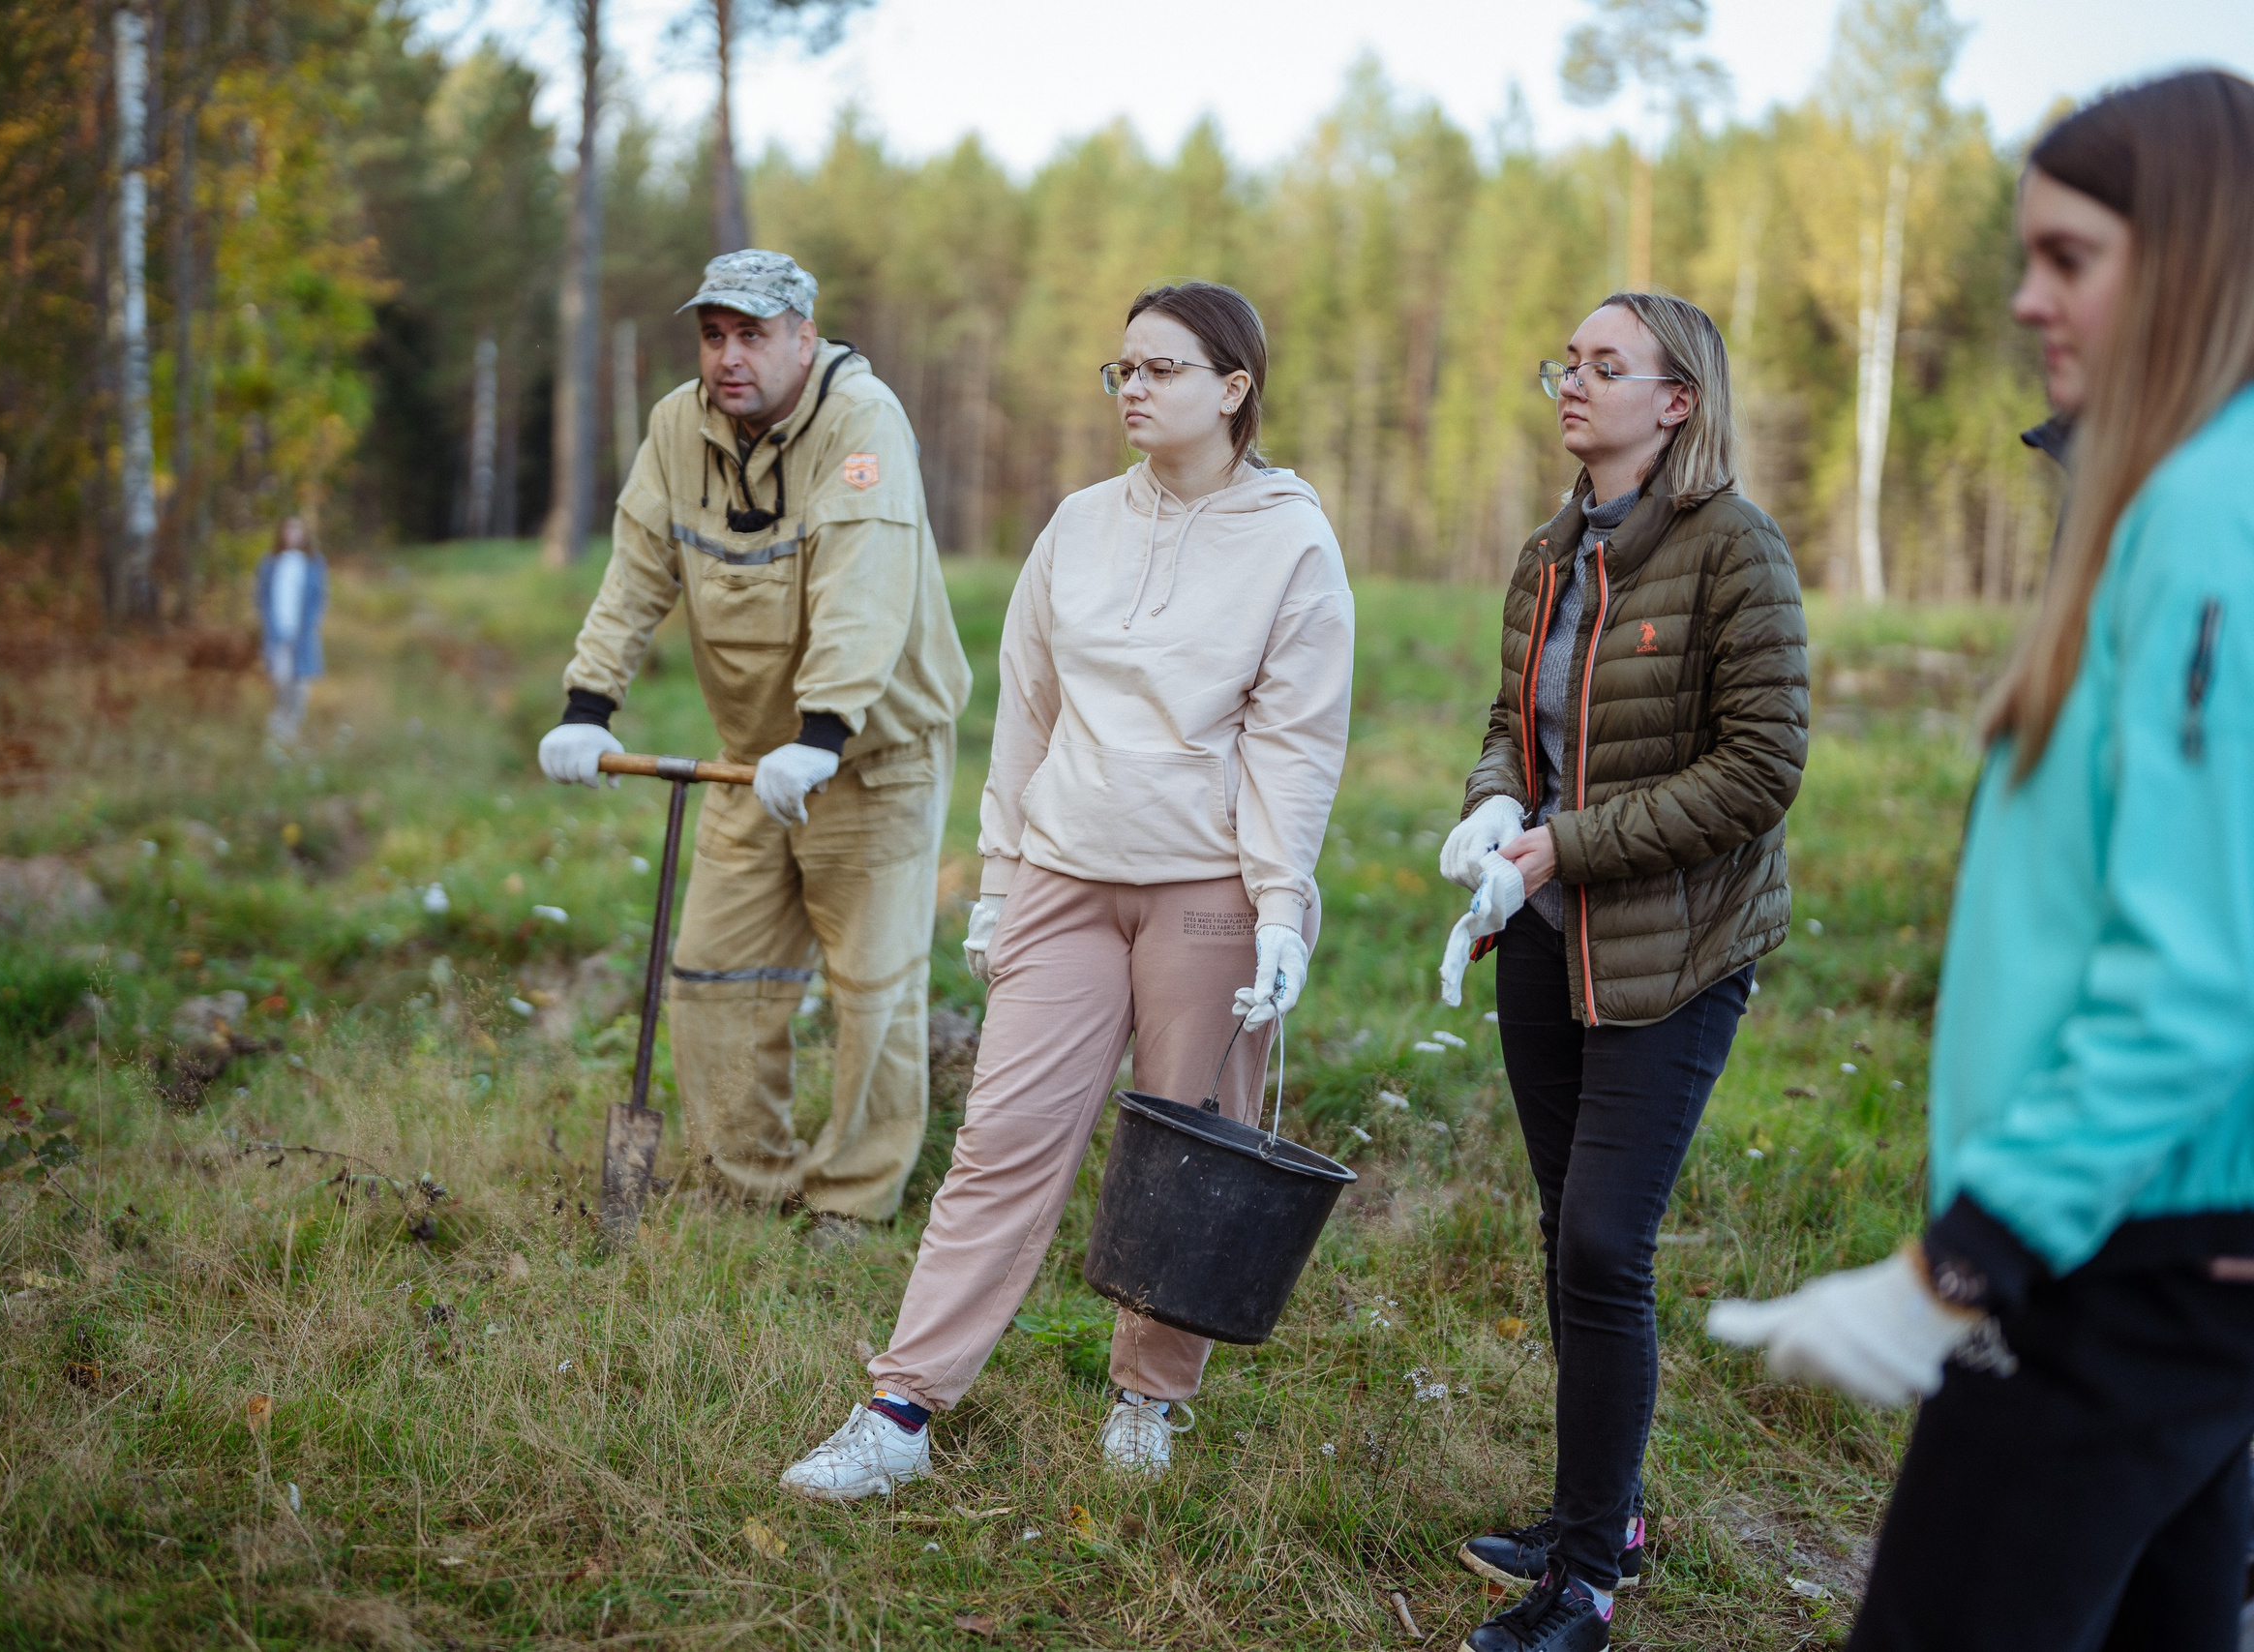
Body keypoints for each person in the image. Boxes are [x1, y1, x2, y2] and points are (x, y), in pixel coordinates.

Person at [1708, 71, 2254, 1652]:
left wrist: (1966, 1255)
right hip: (2171, 1234)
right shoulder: (2184, 494)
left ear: (2194, 258)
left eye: (2070, 258)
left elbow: (2202, 967)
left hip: (2116, 1252)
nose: (2026, 300)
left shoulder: (2207, 519)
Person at [776, 281, 1354, 1500]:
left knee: (1190, 1154)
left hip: (1207, 893)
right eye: (1121, 369)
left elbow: (1295, 745)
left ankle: (1150, 1398)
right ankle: (899, 1409)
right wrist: (999, 879)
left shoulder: (1293, 542)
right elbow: (1027, 711)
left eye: (1159, 369)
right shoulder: (1079, 524)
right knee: (1000, 1142)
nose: (1131, 388)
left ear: (1233, 388)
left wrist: (1280, 909)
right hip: (1063, 877)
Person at [1437, 290, 1809, 1652]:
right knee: (1567, 1231)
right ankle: (1610, 1514)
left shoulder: (1735, 548)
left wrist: (1563, 844)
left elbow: (1761, 768)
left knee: (1604, 1240)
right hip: (1546, 938)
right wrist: (1496, 805)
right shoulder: (1552, 549)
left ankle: (1585, 1584)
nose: (1573, 384)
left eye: (1606, 365)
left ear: (1677, 401)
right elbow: (1512, 719)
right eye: (1567, 363)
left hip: (1678, 951)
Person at [537, 251, 972, 1240]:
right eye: (713, 335)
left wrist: (824, 732)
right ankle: (746, 1183)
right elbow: (636, 570)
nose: (729, 356)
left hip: (870, 756)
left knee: (872, 989)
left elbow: (862, 586)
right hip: (752, 758)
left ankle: (851, 1202)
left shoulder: (862, 423)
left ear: (804, 337)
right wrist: (587, 703)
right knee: (713, 974)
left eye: (753, 334)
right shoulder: (676, 428)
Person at [255, 516, 328, 744]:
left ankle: (292, 727)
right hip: (277, 631)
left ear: (304, 535)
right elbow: (261, 596)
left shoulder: (313, 563)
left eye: (297, 530)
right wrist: (268, 622)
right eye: (289, 530)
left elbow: (320, 597)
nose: (292, 535)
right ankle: (279, 722)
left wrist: (313, 622)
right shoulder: (270, 563)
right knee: (280, 678)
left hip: (303, 632)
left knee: (300, 682)